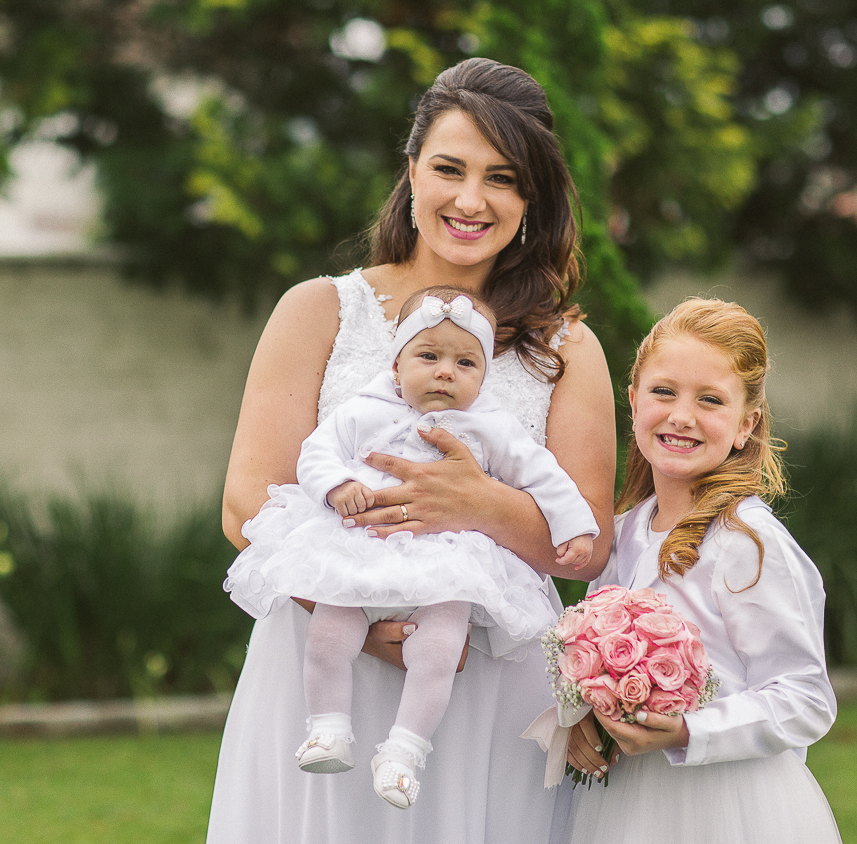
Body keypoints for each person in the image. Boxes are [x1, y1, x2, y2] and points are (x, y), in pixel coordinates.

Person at [206, 57, 616, 844]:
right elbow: (246, 501)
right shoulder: (321, 310)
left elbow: (586, 545)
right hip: (323, 658)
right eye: (449, 169)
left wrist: (478, 505)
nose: (471, 200)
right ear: (411, 171)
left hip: (479, 673)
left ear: (532, 198)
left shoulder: (566, 347)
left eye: (501, 178)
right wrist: (360, 610)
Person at [222, 285, 599, 809]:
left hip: (448, 563)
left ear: (483, 377)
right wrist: (336, 487)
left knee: (440, 648)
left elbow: (548, 478)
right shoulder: (363, 412)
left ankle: (405, 750)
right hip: (360, 549)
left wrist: (574, 528)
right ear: (397, 368)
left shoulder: (492, 428)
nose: (446, 371)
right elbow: (315, 454)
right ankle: (328, 727)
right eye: (429, 356)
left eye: (466, 362)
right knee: (331, 633)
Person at [556, 298, 841, 843]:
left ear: (745, 424)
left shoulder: (747, 543)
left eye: (710, 400)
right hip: (627, 804)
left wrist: (689, 730)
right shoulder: (625, 531)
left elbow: (806, 698)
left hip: (726, 807)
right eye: (664, 392)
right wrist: (579, 717)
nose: (681, 416)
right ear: (634, 400)